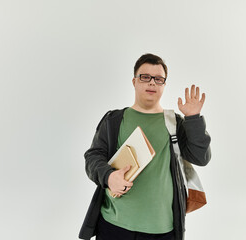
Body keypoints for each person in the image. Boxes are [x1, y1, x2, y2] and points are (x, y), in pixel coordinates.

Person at [79, 53, 211, 240]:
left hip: (163, 229)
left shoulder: (175, 123)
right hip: (113, 225)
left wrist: (193, 119)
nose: (152, 83)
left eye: (158, 79)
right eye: (145, 77)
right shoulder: (114, 120)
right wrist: (108, 177)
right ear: (134, 81)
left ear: (164, 85)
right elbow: (93, 157)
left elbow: (201, 158)